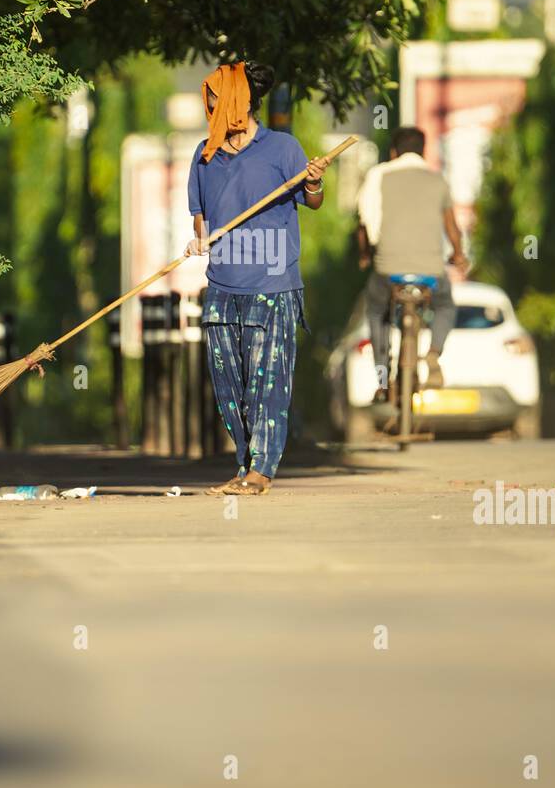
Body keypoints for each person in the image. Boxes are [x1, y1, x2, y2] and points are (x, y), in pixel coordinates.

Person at [185, 60, 329, 495]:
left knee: (268, 383)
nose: (209, 109)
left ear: (238, 103)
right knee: (231, 387)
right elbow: (200, 217)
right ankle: (245, 461)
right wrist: (201, 241)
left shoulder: (283, 149)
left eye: (215, 101)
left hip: (273, 284)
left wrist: (315, 183)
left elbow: (314, 200)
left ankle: (261, 471)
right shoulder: (204, 155)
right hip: (223, 286)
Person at [356, 126, 469, 397]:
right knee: (444, 304)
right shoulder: (437, 180)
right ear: (424, 151)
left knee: (376, 312)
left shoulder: (379, 175)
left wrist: (364, 256)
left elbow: (363, 222)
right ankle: (433, 353)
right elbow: (452, 226)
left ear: (394, 152)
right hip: (430, 271)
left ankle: (383, 381)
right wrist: (458, 254)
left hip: (388, 270)